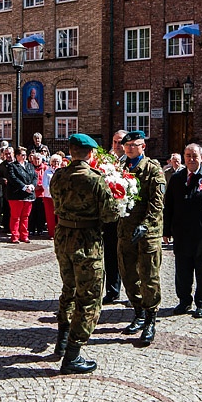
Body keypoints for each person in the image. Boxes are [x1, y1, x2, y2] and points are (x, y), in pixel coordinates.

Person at [49, 133, 120, 374]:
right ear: (90, 154)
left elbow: (56, 204)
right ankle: (72, 354)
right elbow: (110, 214)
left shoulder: (58, 176)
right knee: (89, 296)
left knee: (68, 289)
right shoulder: (94, 179)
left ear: (71, 153)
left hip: (63, 237)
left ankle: (61, 340)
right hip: (86, 241)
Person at [163, 144, 202, 318]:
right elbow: (169, 206)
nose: (191, 159)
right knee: (182, 270)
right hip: (181, 234)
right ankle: (184, 301)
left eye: (194, 156)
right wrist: (166, 230)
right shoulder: (176, 178)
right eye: (188, 155)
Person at [117, 130, 165, 345]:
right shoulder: (120, 168)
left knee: (149, 277)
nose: (129, 149)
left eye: (134, 145)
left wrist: (145, 225)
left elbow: (157, 203)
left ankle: (151, 319)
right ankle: (138, 312)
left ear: (143, 147)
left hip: (147, 232)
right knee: (127, 274)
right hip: (125, 230)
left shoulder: (153, 170)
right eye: (127, 145)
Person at [102, 130, 127, 304]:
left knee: (128, 257)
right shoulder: (105, 162)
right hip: (110, 217)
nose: (117, 145)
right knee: (110, 255)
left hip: (126, 217)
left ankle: (133, 293)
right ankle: (112, 291)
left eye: (120, 142)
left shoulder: (132, 162)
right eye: (114, 141)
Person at [6, 147, 37, 243]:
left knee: (25, 216)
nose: (24, 157)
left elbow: (35, 176)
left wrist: (32, 186)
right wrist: (24, 187)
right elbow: (13, 178)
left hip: (29, 196)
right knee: (16, 216)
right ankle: (15, 235)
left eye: (25, 155)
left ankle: (24, 235)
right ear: (17, 156)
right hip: (17, 195)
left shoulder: (30, 166)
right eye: (22, 155)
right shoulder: (12, 166)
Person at [42, 154, 62, 238]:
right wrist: (52, 192)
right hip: (48, 196)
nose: (55, 163)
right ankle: (52, 233)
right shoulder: (47, 171)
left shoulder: (62, 171)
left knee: (59, 215)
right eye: (54, 161)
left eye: (57, 161)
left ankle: (60, 233)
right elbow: (44, 184)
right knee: (50, 216)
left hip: (60, 197)